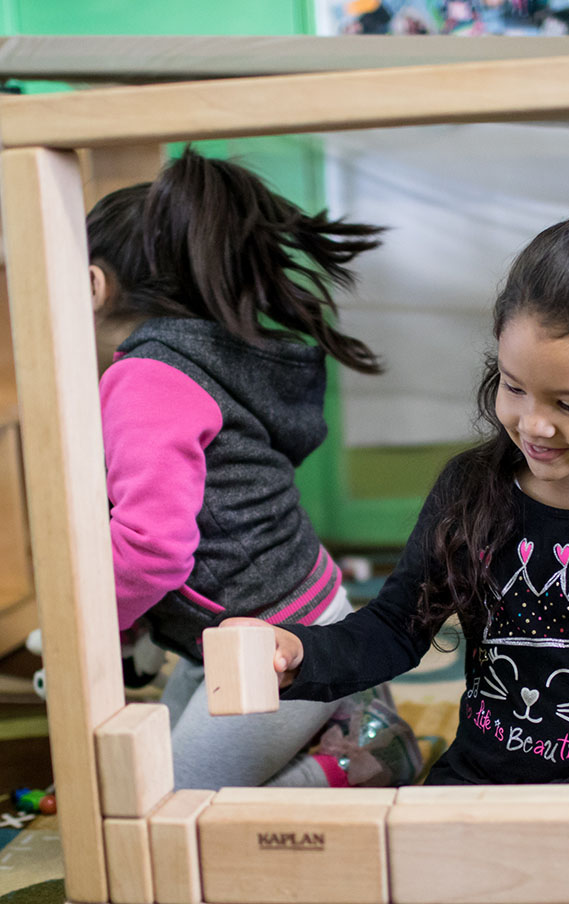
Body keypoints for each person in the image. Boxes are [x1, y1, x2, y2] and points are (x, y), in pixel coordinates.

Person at [227, 177, 569, 784]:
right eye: (514, 386)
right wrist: (300, 652)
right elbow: (396, 627)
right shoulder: (471, 489)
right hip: (481, 783)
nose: (533, 424)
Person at [88, 148, 420, 790]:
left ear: (93, 284)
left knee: (172, 804)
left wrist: (90, 614)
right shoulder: (210, 352)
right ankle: (348, 713)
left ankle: (362, 760)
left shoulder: (146, 379)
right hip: (273, 616)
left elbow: (151, 549)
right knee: (148, 770)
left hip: (273, 643)